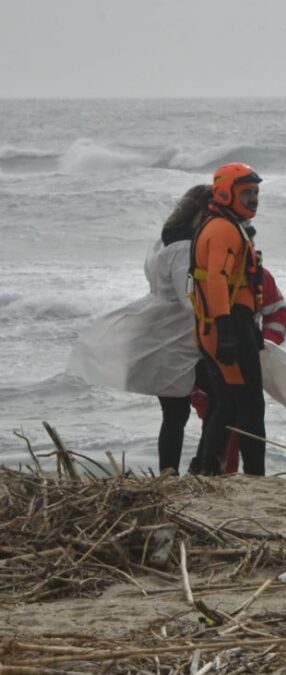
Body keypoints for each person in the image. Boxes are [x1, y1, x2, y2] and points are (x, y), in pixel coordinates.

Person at [66, 184, 212, 475]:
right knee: (214, 402)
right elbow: (188, 299)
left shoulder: (163, 241)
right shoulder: (185, 247)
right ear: (202, 213)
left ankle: (171, 473)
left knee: (175, 412)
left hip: (161, 332)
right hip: (178, 338)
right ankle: (196, 468)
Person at [190, 162, 267, 475]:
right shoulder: (223, 230)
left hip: (226, 324)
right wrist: (227, 332)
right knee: (250, 406)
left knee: (229, 404)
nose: (253, 199)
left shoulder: (224, 225)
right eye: (246, 192)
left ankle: (206, 469)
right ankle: (254, 477)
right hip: (226, 325)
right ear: (224, 192)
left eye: (256, 193)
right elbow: (217, 280)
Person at [190, 265, 286, 473]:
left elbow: (278, 312)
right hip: (206, 363)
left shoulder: (259, 276)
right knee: (222, 419)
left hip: (241, 358)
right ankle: (218, 473)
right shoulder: (205, 277)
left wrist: (264, 346)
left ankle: (230, 475)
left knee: (237, 421)